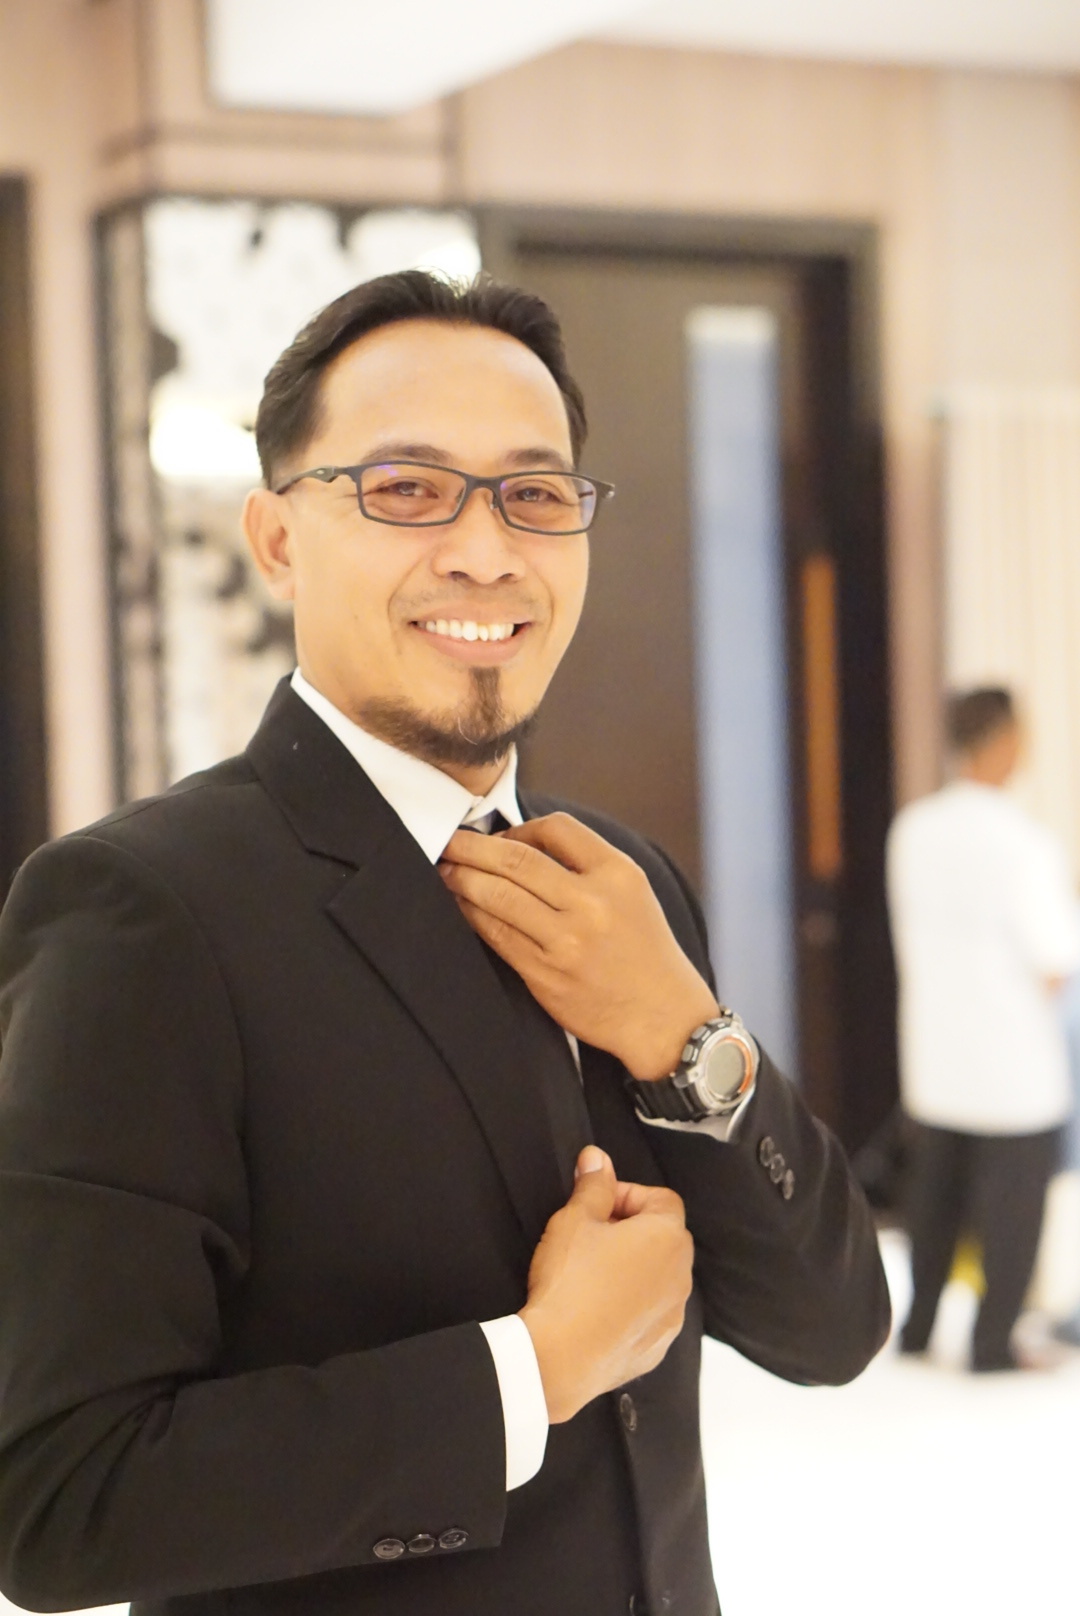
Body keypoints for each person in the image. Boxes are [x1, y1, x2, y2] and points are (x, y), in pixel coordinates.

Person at [0, 271, 889, 1616]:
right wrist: (530, 1371)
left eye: (534, 492)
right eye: (407, 488)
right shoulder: (144, 910)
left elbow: (833, 1327)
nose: (486, 550)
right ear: (277, 539)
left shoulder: (623, 878)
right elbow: (61, 1499)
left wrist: (683, 1036)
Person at [888, 686, 1080, 1371]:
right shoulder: (1021, 841)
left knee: (935, 1201)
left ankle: (918, 1331)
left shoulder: (914, 830)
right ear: (1005, 742)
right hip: (1012, 1063)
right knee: (1011, 1213)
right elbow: (1056, 958)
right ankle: (992, 1344)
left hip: (936, 1053)